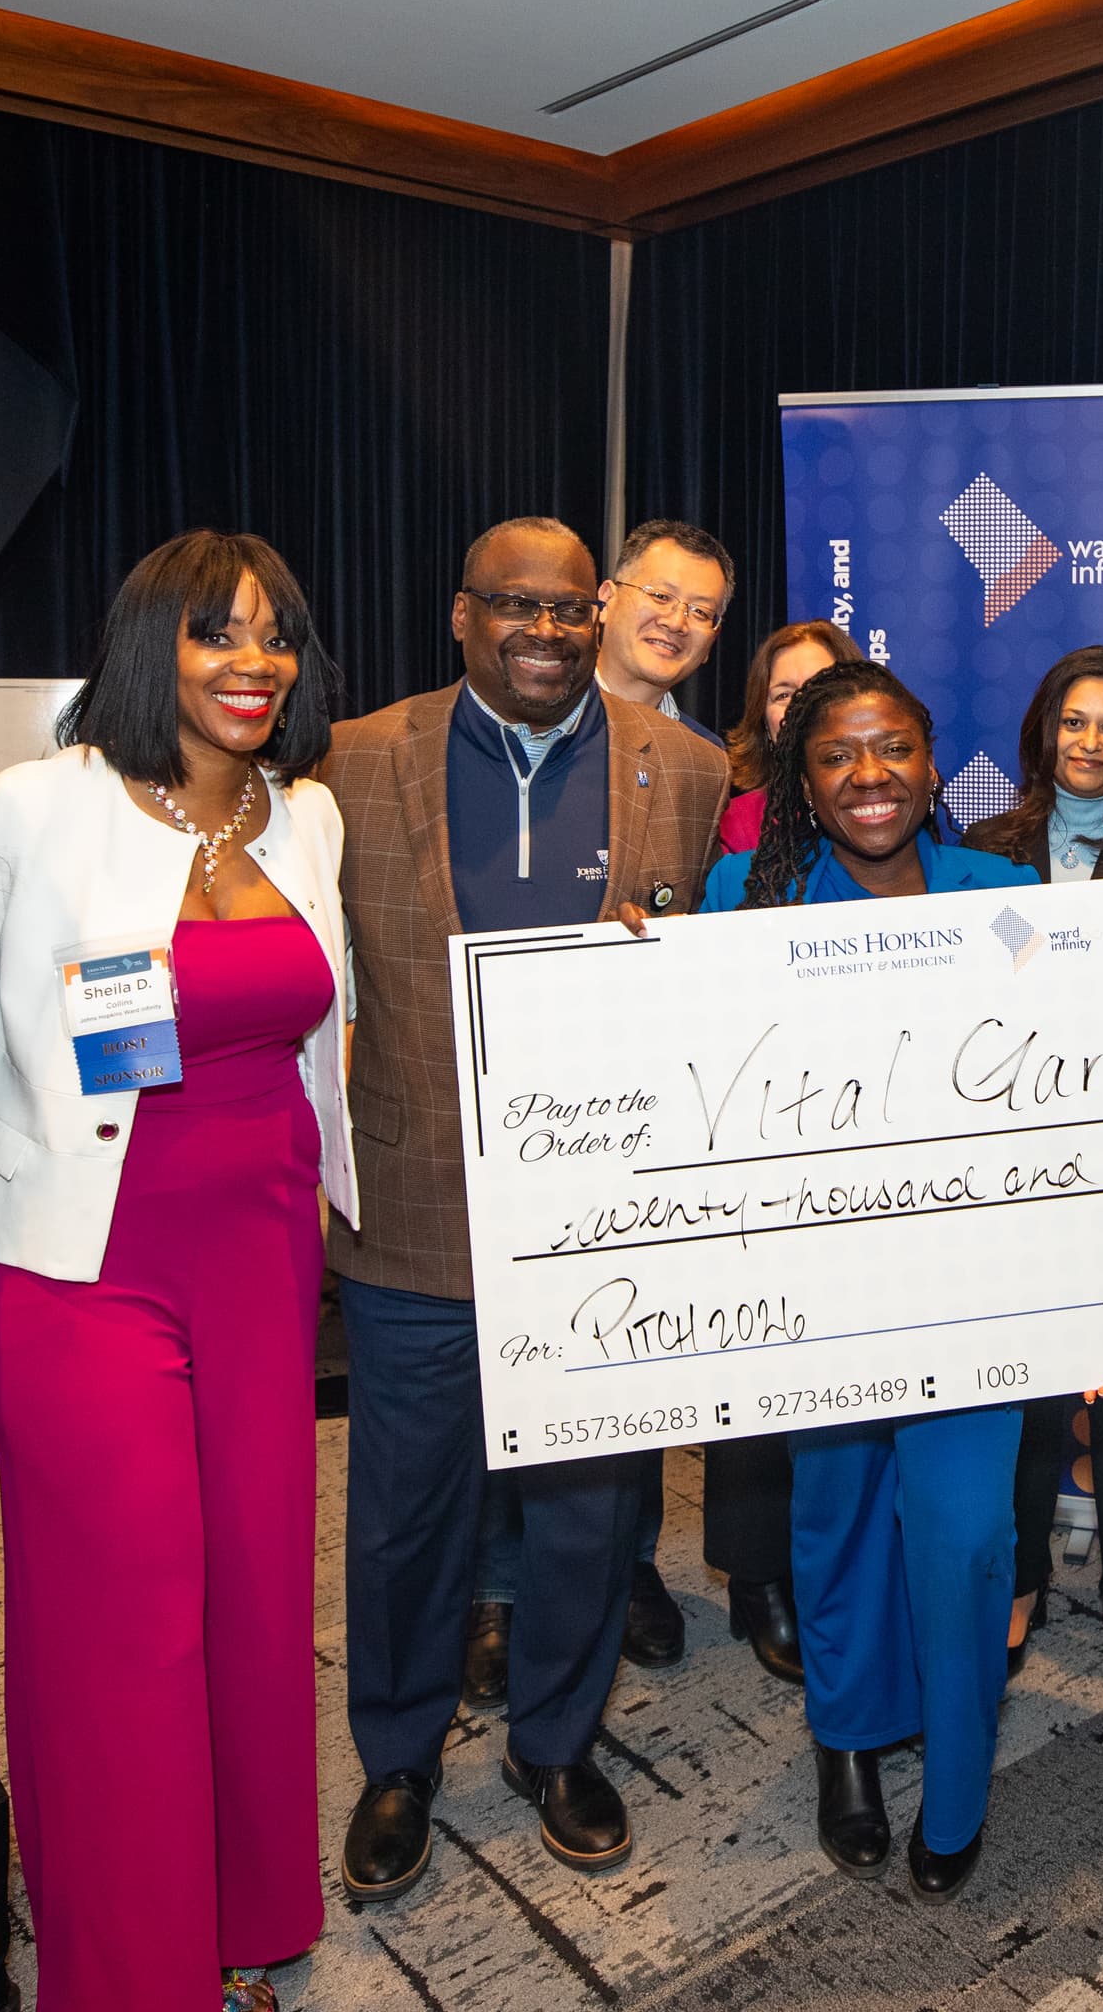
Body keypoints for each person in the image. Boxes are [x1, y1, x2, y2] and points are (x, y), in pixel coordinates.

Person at [0, 530, 355, 2012]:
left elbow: (327, 1030)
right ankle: (133, 1973)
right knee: (122, 1609)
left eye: (274, 639)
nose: (251, 665)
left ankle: (250, 1904)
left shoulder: (303, 814)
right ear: (150, 650)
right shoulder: (31, 811)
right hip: (80, 1257)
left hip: (260, 1252)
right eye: (215, 635)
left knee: (257, 1589)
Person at [320, 517, 731, 1905]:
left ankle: (559, 1741)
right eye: (516, 607)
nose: (546, 634)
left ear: (597, 613)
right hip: (417, 1209)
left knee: (586, 1506)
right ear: (460, 614)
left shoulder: (689, 769)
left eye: (569, 610)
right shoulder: (356, 758)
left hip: (597, 1225)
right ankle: (400, 1756)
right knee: (403, 1514)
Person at [701, 658, 1040, 1899]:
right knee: (835, 1521)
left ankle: (954, 1790)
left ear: (931, 755)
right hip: (817, 1289)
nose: (869, 777)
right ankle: (847, 1747)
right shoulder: (749, 893)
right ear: (802, 774)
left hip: (970, 1281)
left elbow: (1086, 1031)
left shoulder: (1001, 894)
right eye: (837, 754)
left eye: (891, 746)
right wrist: (627, 960)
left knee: (962, 1540)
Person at [963, 646, 1103, 1710]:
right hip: (1017, 1170)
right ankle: (1023, 1584)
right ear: (1043, 732)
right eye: (1074, 721)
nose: (1091, 741)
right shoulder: (984, 852)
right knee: (1027, 1397)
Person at [717, 617, 853, 857]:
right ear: (763, 723)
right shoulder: (734, 826)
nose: (801, 704)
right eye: (783, 695)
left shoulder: (885, 803)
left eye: (820, 687)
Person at [597, 517, 736, 736]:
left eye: (700, 612)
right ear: (606, 600)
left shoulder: (703, 758)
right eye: (660, 596)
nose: (676, 623)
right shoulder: (544, 719)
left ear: (713, 639)